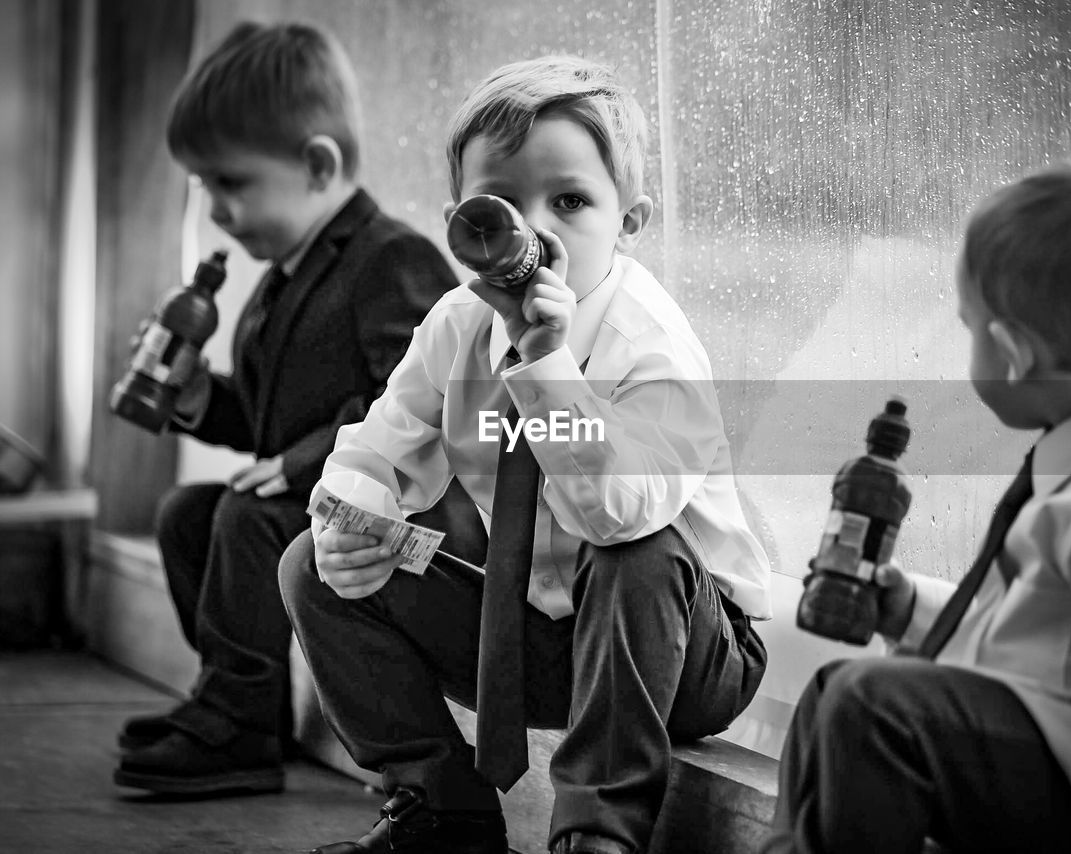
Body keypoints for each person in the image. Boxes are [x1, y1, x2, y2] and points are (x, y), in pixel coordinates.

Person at [277, 55, 771, 854]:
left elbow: (616, 516)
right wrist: (352, 517)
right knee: (308, 565)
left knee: (636, 557)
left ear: (630, 221)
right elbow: (379, 443)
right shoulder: (456, 322)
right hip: (537, 638)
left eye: (570, 201)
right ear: (463, 221)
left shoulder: (654, 345)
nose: (534, 232)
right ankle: (441, 812)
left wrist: (545, 365)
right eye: (500, 203)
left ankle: (597, 834)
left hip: (679, 654)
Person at [763, 156, 1071, 854]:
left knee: (871, 709)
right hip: (1056, 750)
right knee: (835, 692)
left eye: (969, 326)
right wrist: (910, 610)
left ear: (1012, 353)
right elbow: (1039, 648)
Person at [112, 21, 457, 797]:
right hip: (321, 500)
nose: (215, 211)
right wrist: (206, 402)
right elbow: (270, 427)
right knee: (187, 514)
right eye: (204, 188)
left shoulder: (389, 258)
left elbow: (420, 405)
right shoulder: (276, 281)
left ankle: (233, 725)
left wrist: (304, 466)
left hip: (394, 518)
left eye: (230, 184)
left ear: (316, 164)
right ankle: (238, 700)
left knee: (248, 517)